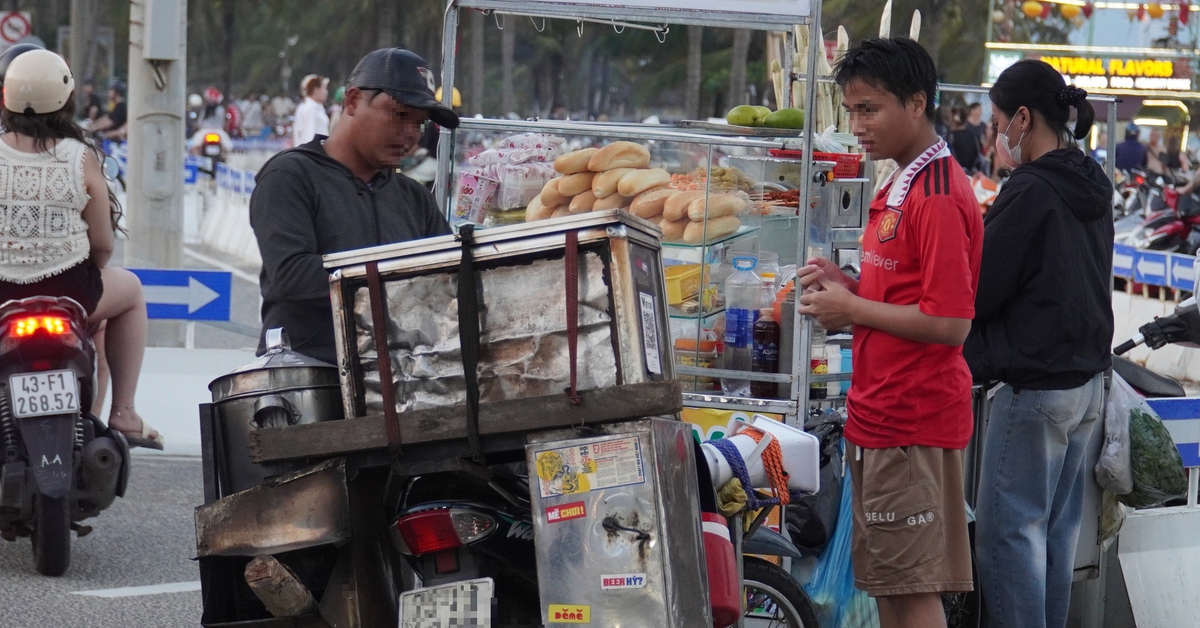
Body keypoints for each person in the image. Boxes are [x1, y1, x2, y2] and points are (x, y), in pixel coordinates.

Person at [797, 37, 982, 628]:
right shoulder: (901, 180)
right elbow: (904, 293)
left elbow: (950, 323)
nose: (857, 125)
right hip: (879, 415)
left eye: (869, 109)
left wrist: (852, 309)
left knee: (912, 590)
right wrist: (848, 284)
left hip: (912, 420)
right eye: (851, 110)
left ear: (917, 103)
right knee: (886, 586)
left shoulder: (937, 195)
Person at [964, 59, 1113, 628]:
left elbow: (980, 289)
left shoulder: (1031, 189)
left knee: (1009, 539)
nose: (995, 135)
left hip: (1036, 387)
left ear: (1023, 119)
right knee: (1051, 537)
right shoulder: (1090, 179)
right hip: (1085, 387)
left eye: (997, 122)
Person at [250, 48, 457, 363]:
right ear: (353, 100)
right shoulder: (290, 176)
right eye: (400, 115)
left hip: (401, 380)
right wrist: (402, 278)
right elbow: (292, 276)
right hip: (308, 377)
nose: (410, 134)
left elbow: (449, 281)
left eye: (420, 123)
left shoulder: (414, 197)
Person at [0, 50, 161, 449]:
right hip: (70, 293)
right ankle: (124, 412)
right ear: (68, 99)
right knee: (132, 291)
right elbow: (102, 245)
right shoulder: (81, 157)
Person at [292, 74, 329, 146]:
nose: (326, 92)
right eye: (324, 88)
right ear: (316, 89)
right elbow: (309, 135)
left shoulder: (317, 107)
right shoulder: (310, 109)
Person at [950, 107, 982, 173]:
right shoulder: (973, 137)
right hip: (971, 174)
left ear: (953, 120)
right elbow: (977, 156)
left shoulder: (950, 137)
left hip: (954, 173)